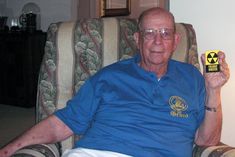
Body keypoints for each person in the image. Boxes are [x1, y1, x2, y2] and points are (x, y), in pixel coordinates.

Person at [0, 7, 230, 157]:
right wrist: (9, 149)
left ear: (176, 40)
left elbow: (206, 140)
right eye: (149, 33)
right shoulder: (109, 77)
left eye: (165, 33)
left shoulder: (193, 78)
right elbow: (62, 123)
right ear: (138, 39)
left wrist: (213, 90)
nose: (158, 41)